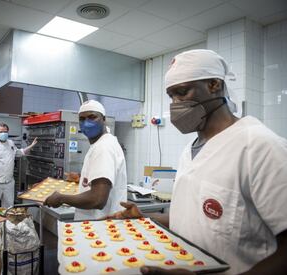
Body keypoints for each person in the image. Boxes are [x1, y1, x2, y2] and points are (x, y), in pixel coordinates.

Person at [110, 49, 287, 275]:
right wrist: (145, 218)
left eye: (182, 92)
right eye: (171, 96)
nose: (175, 104)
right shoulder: (190, 150)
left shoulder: (260, 147)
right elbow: (194, 219)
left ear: (214, 85)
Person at [44, 100, 127, 220]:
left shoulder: (104, 147)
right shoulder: (101, 144)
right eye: (82, 119)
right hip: (98, 225)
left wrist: (61, 198)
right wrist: (82, 177)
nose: (86, 123)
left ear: (104, 119)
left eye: (92, 117)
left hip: (101, 228)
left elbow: (98, 199)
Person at [0, 123, 37, 242]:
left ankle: (6, 230)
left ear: (8, 132)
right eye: (0, 131)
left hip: (9, 182)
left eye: (4, 131)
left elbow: (19, 153)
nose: (3, 133)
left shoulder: (11, 143)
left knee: (8, 207)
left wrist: (31, 146)